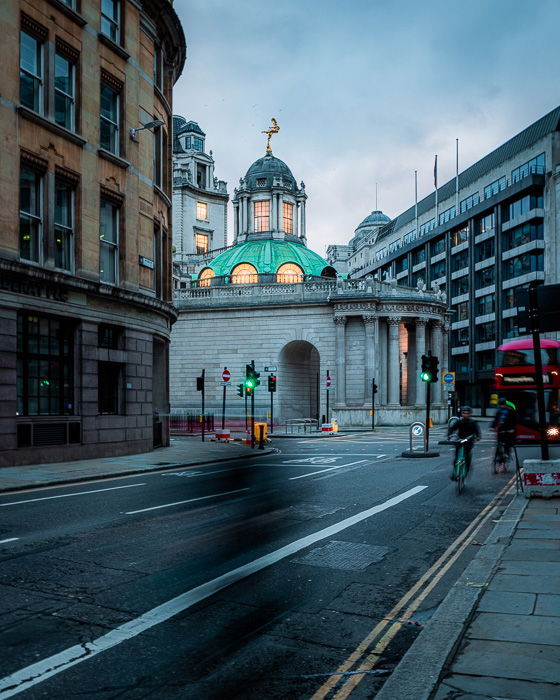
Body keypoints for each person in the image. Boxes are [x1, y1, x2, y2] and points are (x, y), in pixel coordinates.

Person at [448, 406, 481, 479]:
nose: (465, 415)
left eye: (467, 413)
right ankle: (455, 472)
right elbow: (452, 429)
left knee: (467, 457)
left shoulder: (473, 422)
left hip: (469, 441)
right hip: (459, 441)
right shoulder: (459, 422)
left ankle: (466, 470)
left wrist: (477, 437)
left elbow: (477, 431)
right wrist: (449, 435)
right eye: (464, 413)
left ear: (470, 414)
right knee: (456, 458)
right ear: (462, 414)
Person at [491, 397, 516, 471]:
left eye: (502, 405)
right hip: (500, 430)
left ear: (505, 404)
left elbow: (514, 420)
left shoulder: (510, 411)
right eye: (500, 405)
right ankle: (497, 456)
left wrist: (512, 429)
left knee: (507, 444)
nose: (501, 406)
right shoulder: (498, 411)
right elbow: (495, 420)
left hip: (508, 429)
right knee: (498, 444)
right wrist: (492, 427)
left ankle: (507, 454)